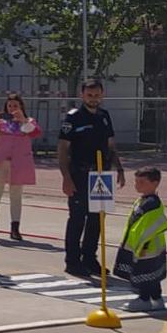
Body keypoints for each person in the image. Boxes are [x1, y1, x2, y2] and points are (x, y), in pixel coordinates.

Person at [59, 78, 125, 277]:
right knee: (78, 218)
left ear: (102, 95)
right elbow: (63, 149)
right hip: (80, 173)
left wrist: (119, 168)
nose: (93, 99)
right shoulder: (73, 118)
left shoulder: (104, 116)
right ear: (82, 95)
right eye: (90, 95)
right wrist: (66, 177)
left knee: (97, 219)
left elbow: (111, 145)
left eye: (97, 95)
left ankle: (89, 258)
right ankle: (72, 261)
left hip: (101, 174)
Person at [0, 92, 41, 241]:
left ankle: (15, 228)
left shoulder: (28, 122)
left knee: (16, 196)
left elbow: (35, 132)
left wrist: (23, 120)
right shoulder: (0, 123)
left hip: (19, 163)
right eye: (10, 105)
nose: (12, 109)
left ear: (21, 107)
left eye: (15, 106)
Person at [113, 167, 167, 312]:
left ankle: (144, 299)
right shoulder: (142, 200)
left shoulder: (153, 204)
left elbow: (149, 229)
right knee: (151, 275)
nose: (137, 185)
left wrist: (142, 247)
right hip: (141, 245)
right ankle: (157, 299)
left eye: (142, 182)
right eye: (136, 182)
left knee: (144, 274)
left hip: (147, 247)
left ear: (155, 183)